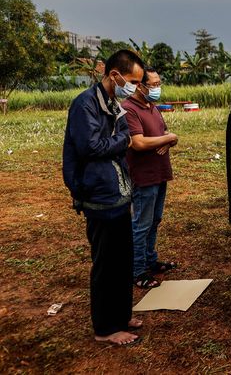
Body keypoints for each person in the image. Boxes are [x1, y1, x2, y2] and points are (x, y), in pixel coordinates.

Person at [62, 49, 145, 346]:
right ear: (115, 75)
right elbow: (92, 147)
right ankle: (105, 328)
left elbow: (120, 135)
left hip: (119, 194)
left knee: (123, 261)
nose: (134, 86)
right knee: (106, 264)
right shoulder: (85, 104)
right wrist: (122, 141)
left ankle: (121, 314)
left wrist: (120, 140)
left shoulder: (113, 102)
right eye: (133, 80)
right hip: (99, 197)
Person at [121, 68, 178, 289]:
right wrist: (168, 138)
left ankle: (151, 261)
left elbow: (164, 134)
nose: (156, 88)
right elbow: (139, 143)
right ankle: (138, 271)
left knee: (154, 220)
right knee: (141, 225)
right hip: (143, 176)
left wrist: (168, 139)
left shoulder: (151, 107)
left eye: (158, 83)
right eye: (152, 84)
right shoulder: (129, 109)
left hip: (159, 172)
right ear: (140, 86)